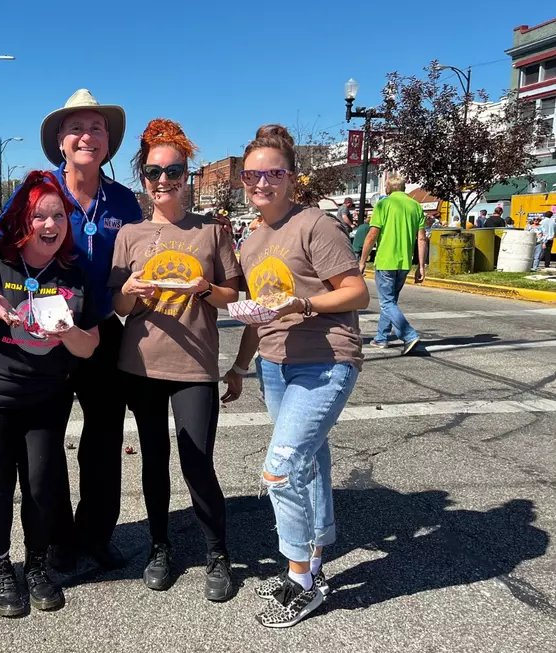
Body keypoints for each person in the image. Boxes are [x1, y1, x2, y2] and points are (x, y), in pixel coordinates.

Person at [0, 89, 143, 571]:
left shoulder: (124, 201)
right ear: (60, 140)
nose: (87, 136)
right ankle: (55, 540)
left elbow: (145, 256)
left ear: (108, 142)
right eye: (76, 128)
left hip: (97, 328)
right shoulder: (39, 191)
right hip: (42, 336)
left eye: (97, 128)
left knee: (103, 441)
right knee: (48, 448)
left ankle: (96, 534)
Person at [223, 124, 369, 628]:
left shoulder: (315, 225)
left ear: (291, 178)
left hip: (326, 361)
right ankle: (318, 555)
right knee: (307, 463)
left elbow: (355, 292)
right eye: (252, 174)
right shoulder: (252, 239)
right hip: (275, 366)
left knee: (280, 468)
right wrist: (242, 366)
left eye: (272, 173)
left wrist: (303, 303)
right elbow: (260, 313)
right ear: (242, 180)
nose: (261, 182)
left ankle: (300, 580)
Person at [0, 171, 100, 618]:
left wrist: (67, 333)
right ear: (23, 221)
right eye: (39, 216)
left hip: (46, 396)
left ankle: (37, 565)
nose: (50, 225)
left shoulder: (73, 272)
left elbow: (91, 344)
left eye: (58, 216)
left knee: (42, 487)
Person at [110, 119, 242, 601]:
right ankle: (160, 547)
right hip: (140, 363)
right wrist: (128, 291)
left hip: (195, 365)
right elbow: (119, 308)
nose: (163, 180)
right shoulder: (129, 234)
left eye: (174, 171)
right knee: (153, 459)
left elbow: (234, 296)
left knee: (197, 461)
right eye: (153, 171)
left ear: (188, 175)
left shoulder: (212, 232)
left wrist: (205, 288)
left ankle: (218, 553)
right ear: (141, 177)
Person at [358, 174, 427, 355]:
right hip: (404, 261)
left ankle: (409, 334)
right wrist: (421, 265)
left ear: (389, 187)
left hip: (386, 260)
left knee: (387, 302)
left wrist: (362, 260)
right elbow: (421, 238)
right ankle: (381, 338)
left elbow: (372, 234)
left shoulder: (383, 204)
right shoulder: (416, 206)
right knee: (390, 302)